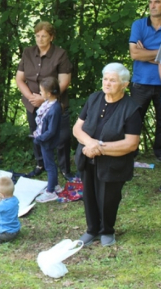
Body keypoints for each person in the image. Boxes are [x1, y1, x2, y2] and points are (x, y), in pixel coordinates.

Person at [73, 63, 141, 247]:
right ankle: (92, 230)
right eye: (105, 79)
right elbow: (77, 128)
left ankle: (107, 231)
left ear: (124, 84)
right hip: (87, 157)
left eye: (112, 80)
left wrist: (99, 147)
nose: (107, 83)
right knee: (89, 196)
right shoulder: (94, 98)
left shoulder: (131, 108)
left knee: (108, 198)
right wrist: (90, 143)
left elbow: (131, 143)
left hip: (113, 163)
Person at [16, 21, 73, 180]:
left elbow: (64, 81)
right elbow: (19, 79)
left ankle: (65, 169)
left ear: (51, 37)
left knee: (62, 137)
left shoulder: (60, 54)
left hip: (55, 103)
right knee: (37, 135)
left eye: (44, 36)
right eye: (37, 36)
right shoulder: (28, 52)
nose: (40, 39)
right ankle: (40, 164)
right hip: (33, 102)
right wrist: (31, 97)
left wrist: (46, 98)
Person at [130, 0, 161, 159]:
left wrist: (146, 53)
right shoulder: (139, 25)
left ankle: (159, 153)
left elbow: (140, 53)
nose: (153, 6)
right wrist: (159, 56)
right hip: (141, 83)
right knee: (134, 119)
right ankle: (131, 152)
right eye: (150, 2)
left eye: (157, 2)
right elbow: (134, 54)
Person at [33, 77, 62, 203]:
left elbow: (51, 130)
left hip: (47, 141)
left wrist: (40, 139)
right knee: (50, 163)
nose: (40, 93)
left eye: (41, 91)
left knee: (49, 166)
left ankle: (50, 192)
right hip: (44, 139)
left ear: (49, 93)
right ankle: (55, 186)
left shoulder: (55, 108)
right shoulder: (47, 104)